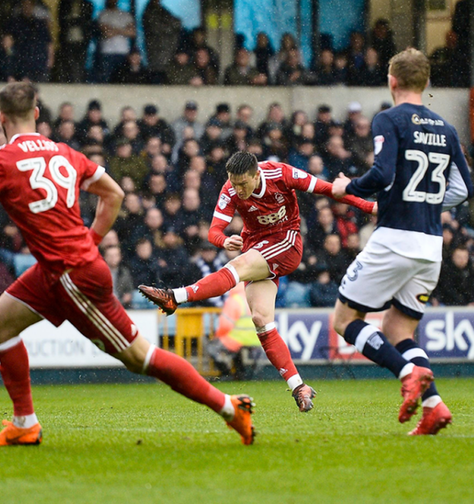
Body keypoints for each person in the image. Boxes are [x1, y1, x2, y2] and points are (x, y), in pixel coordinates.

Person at [0, 82, 256, 447]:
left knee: (139, 357)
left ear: (1, 117)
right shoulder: (65, 153)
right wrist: (92, 239)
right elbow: (114, 193)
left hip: (73, 275)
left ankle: (230, 407)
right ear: (37, 114)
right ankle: (25, 424)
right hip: (56, 269)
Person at [139, 151, 376, 411]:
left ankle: (175, 297)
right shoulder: (230, 188)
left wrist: (371, 207)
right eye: (233, 182)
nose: (238, 189)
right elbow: (214, 231)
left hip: (286, 243)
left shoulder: (281, 173)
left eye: (243, 183)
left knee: (238, 266)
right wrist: (223, 240)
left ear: (256, 174)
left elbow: (328, 189)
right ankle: (299, 386)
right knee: (261, 321)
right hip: (257, 250)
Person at [331, 48, 473, 435]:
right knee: (399, 329)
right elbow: (464, 187)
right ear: (425, 83)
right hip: (430, 246)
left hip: (394, 240)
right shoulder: (445, 128)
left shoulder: (388, 119)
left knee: (344, 320)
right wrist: (421, 200)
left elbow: (381, 172)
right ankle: (435, 406)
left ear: (391, 81)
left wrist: (348, 187)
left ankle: (408, 373)